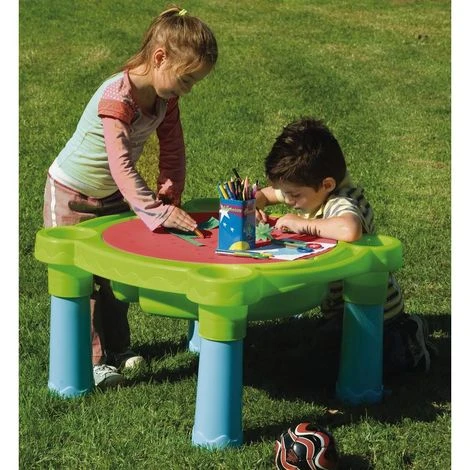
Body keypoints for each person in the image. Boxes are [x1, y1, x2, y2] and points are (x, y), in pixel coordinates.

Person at [42, 7, 218, 389]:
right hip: (71, 194)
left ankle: (118, 350)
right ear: (160, 57)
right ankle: (91, 362)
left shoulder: (166, 99)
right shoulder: (117, 97)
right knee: (80, 282)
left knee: (113, 278)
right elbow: (120, 164)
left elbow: (173, 149)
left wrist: (169, 195)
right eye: (186, 80)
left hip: (113, 196)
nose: (187, 90)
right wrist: (154, 211)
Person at [255, 117, 436, 375]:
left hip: (374, 313)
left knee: (347, 364)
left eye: (294, 196)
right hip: (341, 309)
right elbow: (269, 193)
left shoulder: (341, 201)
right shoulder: (309, 187)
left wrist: (302, 224)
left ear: (327, 185)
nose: (289, 200)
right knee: (317, 353)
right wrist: (255, 203)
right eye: (287, 193)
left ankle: (410, 338)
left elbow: (349, 229)